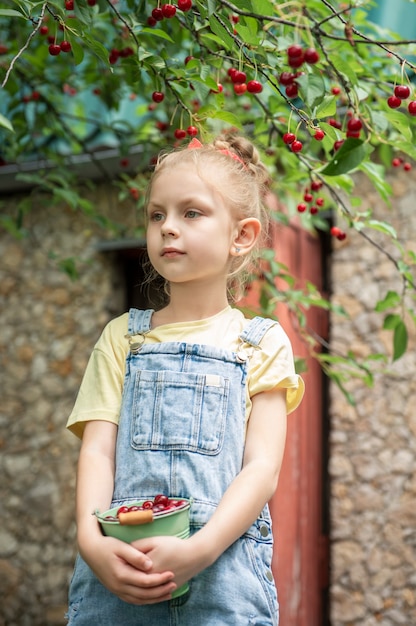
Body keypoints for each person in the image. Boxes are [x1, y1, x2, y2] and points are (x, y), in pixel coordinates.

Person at [65, 133, 304, 625]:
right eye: (157, 214)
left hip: (223, 574)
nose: (168, 227)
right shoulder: (121, 340)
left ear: (242, 235)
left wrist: (201, 548)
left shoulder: (262, 342)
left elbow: (261, 469)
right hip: (120, 569)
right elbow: (97, 452)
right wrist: (91, 542)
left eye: (190, 213)